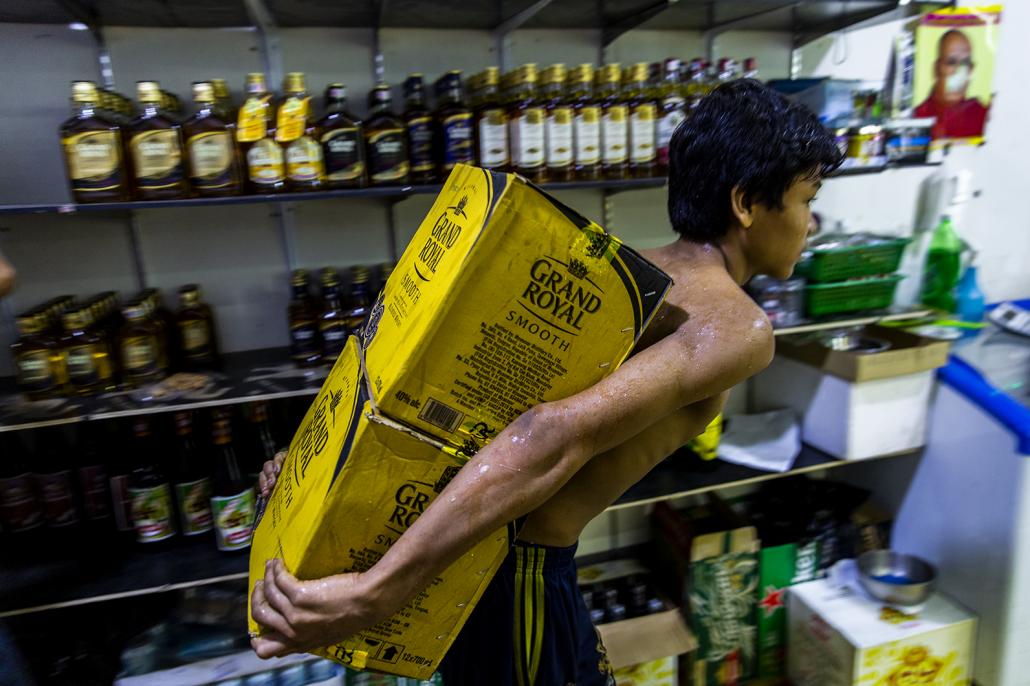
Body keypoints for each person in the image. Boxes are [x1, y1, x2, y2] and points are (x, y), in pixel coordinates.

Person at [250, 79, 843, 685]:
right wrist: (380, 588)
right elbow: (549, 433)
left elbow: (416, 378)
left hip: (471, 557)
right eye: (805, 198)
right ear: (746, 203)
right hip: (519, 575)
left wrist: (309, 465)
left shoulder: (629, 272)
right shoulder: (738, 324)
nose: (811, 222)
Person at [914, 29, 989, 140]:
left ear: (971, 71)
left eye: (965, 64)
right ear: (936, 69)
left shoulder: (982, 116)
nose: (958, 73)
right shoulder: (917, 118)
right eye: (951, 62)